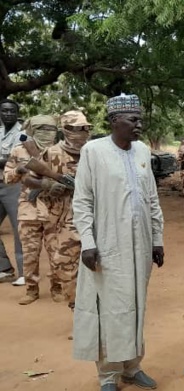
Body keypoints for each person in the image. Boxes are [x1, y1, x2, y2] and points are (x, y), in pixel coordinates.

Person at [72, 94, 165, 391]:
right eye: (133, 120)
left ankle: (132, 366)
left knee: (136, 304)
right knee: (110, 308)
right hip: (108, 244)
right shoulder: (93, 151)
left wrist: (158, 239)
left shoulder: (141, 151)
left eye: (140, 118)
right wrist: (88, 241)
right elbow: (82, 201)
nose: (139, 124)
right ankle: (109, 375)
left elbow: (151, 198)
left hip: (140, 246)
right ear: (114, 121)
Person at [25, 111, 91, 310]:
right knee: (65, 267)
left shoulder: (94, 151)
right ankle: (77, 311)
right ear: (65, 130)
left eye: (85, 128)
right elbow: (28, 179)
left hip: (91, 218)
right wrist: (47, 184)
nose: (81, 132)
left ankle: (93, 314)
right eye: (75, 129)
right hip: (59, 222)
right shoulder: (52, 153)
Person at [5, 115, 60, 304]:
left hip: (55, 209)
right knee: (30, 253)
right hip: (28, 209)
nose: (47, 133)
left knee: (57, 253)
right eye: (42, 129)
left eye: (51, 129)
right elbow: (7, 178)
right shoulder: (19, 150)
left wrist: (48, 181)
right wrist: (18, 171)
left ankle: (57, 287)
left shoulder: (60, 150)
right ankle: (31, 289)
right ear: (32, 131)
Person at [0, 98, 25, 284]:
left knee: (20, 229)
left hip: (14, 184)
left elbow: (16, 160)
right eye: (4, 111)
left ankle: (25, 273)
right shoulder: (0, 132)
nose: (8, 114)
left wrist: (5, 159)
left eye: (11, 111)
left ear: (17, 113)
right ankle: (4, 268)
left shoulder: (23, 134)